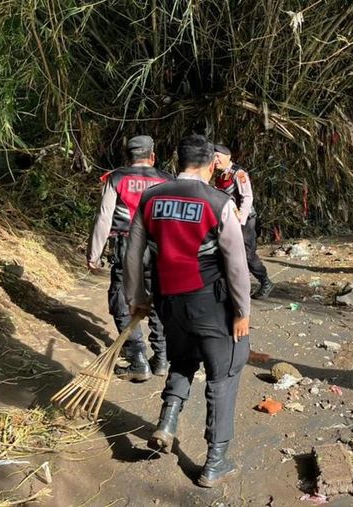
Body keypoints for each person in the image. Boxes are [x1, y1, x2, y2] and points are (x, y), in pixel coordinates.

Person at [124, 134, 251, 487]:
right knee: (224, 372)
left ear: (177, 161)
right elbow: (236, 264)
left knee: (182, 358)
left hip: (167, 301)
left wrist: (137, 296)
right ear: (212, 164)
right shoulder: (217, 201)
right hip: (209, 302)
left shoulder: (151, 198)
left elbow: (132, 255)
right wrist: (242, 311)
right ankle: (215, 461)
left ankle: (167, 422)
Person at [86, 135, 172, 381]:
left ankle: (137, 359)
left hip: (128, 246)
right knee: (159, 299)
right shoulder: (167, 179)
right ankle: (162, 359)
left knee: (122, 301)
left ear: (128, 157)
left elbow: (104, 217)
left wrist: (94, 254)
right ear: (152, 156)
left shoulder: (116, 178)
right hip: (159, 249)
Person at [213, 145, 274, 299]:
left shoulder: (238, 173)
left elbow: (247, 197)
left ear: (228, 157)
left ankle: (265, 282)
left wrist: (241, 217)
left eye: (218, 156)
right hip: (228, 221)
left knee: (247, 255)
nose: (215, 160)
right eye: (213, 156)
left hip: (245, 221)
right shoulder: (219, 174)